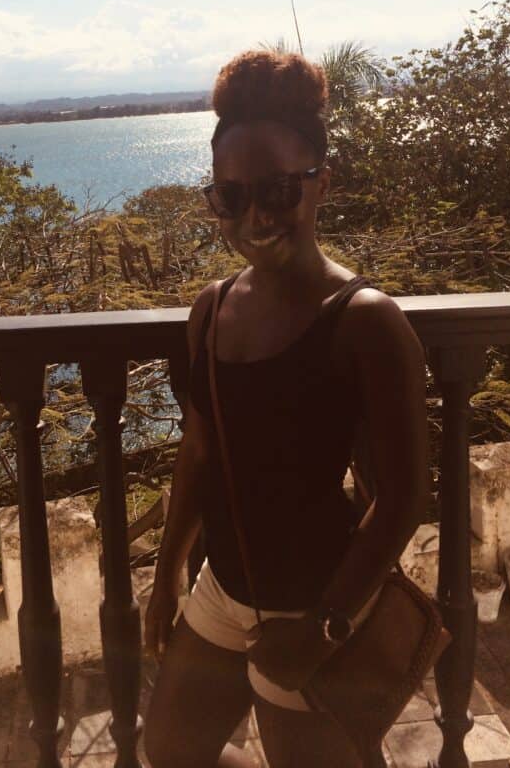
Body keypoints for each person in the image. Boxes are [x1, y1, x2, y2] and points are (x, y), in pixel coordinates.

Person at [143, 50, 429, 768]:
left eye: (275, 190)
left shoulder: (364, 320)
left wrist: (325, 625)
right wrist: (165, 575)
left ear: (319, 184)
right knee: (169, 751)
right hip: (223, 588)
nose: (255, 216)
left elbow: (402, 499)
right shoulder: (209, 310)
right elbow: (201, 453)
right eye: (230, 197)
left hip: (319, 599)